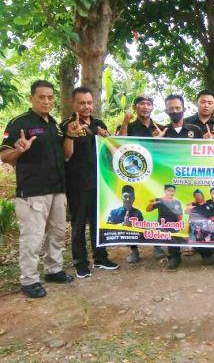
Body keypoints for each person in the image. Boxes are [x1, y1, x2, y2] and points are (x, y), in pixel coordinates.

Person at [0, 80, 73, 298]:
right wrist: (19, 150)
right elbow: (4, 155)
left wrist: (70, 135)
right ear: (31, 98)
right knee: (33, 239)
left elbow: (66, 155)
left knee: (56, 234)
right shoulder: (19, 123)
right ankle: (29, 280)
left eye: (50, 97)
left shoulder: (55, 125)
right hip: (33, 192)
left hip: (57, 189)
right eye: (41, 97)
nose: (46, 101)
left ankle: (53, 270)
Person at [62, 87, 118, 278]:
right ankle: (80, 263)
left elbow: (109, 149)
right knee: (78, 225)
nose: (86, 106)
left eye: (89, 102)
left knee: (98, 223)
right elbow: (66, 155)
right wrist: (72, 135)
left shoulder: (98, 124)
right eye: (81, 103)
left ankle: (101, 258)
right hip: (77, 185)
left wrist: (105, 136)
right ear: (73, 104)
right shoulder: (67, 126)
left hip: (99, 183)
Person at [153, 94, 203, 270]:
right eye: (171, 109)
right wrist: (156, 142)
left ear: (184, 109)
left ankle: (203, 250)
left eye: (177, 108)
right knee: (172, 218)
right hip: (170, 181)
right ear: (166, 110)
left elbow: (204, 152)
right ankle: (174, 254)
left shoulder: (195, 130)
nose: (174, 111)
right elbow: (153, 156)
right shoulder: (161, 131)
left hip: (192, 179)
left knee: (196, 214)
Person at [116, 94, 166, 263]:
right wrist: (125, 121)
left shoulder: (159, 128)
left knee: (157, 207)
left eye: (148, 104)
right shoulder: (128, 127)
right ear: (135, 107)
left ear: (152, 107)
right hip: (134, 175)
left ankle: (158, 245)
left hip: (155, 175)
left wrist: (160, 140)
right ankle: (134, 249)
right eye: (142, 104)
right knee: (132, 210)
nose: (145, 107)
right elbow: (120, 142)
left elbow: (166, 149)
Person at [147, 184, 184, 270]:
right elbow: (148, 210)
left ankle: (175, 257)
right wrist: (150, 204)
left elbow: (180, 216)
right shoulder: (159, 201)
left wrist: (180, 225)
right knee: (159, 241)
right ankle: (158, 250)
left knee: (174, 242)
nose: (171, 192)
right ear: (165, 191)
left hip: (173, 226)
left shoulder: (177, 202)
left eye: (172, 191)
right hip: (162, 226)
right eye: (169, 190)